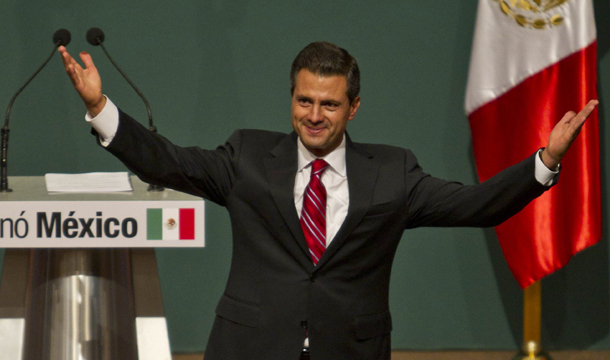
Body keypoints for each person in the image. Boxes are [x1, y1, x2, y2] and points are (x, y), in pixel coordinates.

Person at [59, 41, 597, 360]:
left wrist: (544, 162)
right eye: (304, 100)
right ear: (292, 98)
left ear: (353, 108)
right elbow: (166, 161)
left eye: (329, 104)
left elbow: (477, 204)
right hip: (250, 349)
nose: (314, 115)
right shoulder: (247, 155)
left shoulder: (392, 171)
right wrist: (102, 107)